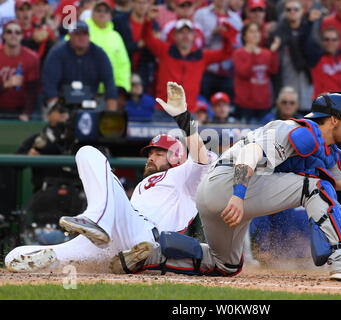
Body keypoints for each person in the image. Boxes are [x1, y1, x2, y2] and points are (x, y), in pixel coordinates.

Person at [109, 91, 341, 282]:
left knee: (226, 265)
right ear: (334, 120)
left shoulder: (323, 147)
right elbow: (250, 153)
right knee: (316, 187)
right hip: (230, 185)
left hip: (216, 196)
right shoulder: (292, 129)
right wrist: (238, 196)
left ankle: (154, 252)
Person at [5, 82, 218, 273]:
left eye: (159, 154)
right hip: (117, 238)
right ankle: (92, 231)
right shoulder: (145, 183)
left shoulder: (185, 177)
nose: (151, 158)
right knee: (14, 257)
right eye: (150, 154)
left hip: (146, 238)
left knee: (88, 152)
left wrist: (183, 116)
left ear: (177, 157)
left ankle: (97, 220)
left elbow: (201, 158)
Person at [142, 18, 234, 119]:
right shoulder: (164, 51)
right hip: (163, 111)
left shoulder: (201, 56)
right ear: (174, 36)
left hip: (188, 112)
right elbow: (147, 38)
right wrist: (149, 20)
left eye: (188, 32)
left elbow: (227, 53)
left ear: (193, 36)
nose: (185, 36)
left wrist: (226, 35)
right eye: (181, 32)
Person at [41, 21, 118, 112]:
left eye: (85, 34)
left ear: (89, 36)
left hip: (91, 103)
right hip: (61, 102)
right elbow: (49, 85)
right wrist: (56, 110)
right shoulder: (57, 53)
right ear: (70, 35)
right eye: (77, 34)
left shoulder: (99, 54)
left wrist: (111, 113)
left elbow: (110, 84)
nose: (82, 38)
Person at [193, 0, 243, 101]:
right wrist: (213, 33)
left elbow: (239, 46)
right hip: (207, 69)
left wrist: (230, 37)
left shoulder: (236, 19)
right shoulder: (201, 14)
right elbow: (195, 42)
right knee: (202, 103)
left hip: (227, 70)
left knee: (225, 107)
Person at [232, 22, 280, 123]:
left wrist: (273, 52)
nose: (255, 34)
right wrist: (251, 54)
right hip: (245, 105)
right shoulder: (239, 53)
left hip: (264, 104)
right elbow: (243, 73)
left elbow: (273, 70)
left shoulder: (266, 53)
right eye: (252, 31)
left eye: (257, 31)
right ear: (244, 36)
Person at [273, 0, 314, 114]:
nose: (292, 12)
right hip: (286, 85)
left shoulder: (310, 29)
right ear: (284, 12)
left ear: (302, 11)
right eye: (288, 9)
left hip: (306, 84)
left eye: (296, 9)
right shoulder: (279, 32)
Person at [85, 0, 131, 93]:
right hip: (85, 89)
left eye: (106, 11)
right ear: (92, 13)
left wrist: (123, 87)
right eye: (98, 10)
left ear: (110, 15)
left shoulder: (116, 36)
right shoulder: (82, 31)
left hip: (110, 91)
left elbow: (123, 64)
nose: (102, 13)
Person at [112, 0, 158, 92]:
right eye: (139, 3)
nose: (142, 6)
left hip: (143, 71)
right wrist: (140, 44)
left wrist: (153, 43)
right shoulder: (119, 21)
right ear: (132, 3)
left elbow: (153, 55)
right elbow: (117, 48)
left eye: (145, 3)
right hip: (122, 70)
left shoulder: (153, 24)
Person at [0, 20, 40, 121]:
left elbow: (32, 90)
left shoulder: (32, 58)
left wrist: (27, 113)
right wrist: (5, 85)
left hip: (20, 110)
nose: (13, 35)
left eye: (17, 32)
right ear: (3, 35)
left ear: (22, 36)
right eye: (9, 32)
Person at [15, 0, 56, 65]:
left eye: (28, 9)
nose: (25, 13)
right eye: (21, 9)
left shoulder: (42, 27)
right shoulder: (12, 28)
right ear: (16, 12)